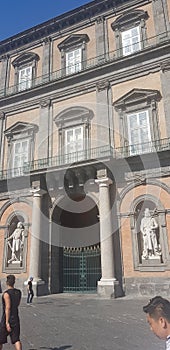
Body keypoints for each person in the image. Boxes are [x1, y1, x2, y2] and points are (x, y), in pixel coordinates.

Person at [0, 274, 22, 350]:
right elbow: (17, 304)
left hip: (7, 319)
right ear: (14, 282)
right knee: (16, 339)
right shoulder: (18, 292)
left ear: (7, 283)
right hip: (16, 318)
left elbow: (8, 308)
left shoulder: (6, 294)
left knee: (0, 340)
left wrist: (7, 322)